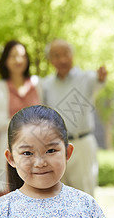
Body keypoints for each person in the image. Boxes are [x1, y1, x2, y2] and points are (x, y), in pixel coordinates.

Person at [42, 39, 107, 196]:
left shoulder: (87, 78)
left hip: (82, 143)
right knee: (57, 197)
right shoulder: (46, 85)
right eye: (56, 55)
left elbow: (99, 81)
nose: (62, 59)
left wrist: (101, 77)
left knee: (85, 195)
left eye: (66, 54)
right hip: (55, 147)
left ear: (72, 55)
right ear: (50, 60)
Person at [0, 40, 41, 195]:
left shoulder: (36, 84)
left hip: (37, 147)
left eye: (22, 56)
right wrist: (27, 125)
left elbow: (45, 116)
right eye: (13, 56)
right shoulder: (0, 87)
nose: (18, 60)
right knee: (10, 192)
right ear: (5, 60)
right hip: (10, 148)